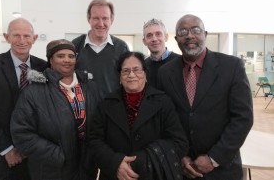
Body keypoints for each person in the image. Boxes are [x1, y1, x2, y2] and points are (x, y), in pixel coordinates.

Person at [158, 14, 253, 180]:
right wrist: (179, 155)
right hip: (181, 169)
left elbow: (243, 118)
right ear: (176, 39)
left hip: (222, 169)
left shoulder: (232, 67)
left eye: (196, 29)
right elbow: (163, 119)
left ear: (205, 34)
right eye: (183, 31)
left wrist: (214, 159)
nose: (189, 35)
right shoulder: (165, 73)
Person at [10, 39, 103, 180]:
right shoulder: (34, 91)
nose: (67, 60)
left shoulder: (90, 87)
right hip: (51, 169)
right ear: (50, 60)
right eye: (60, 56)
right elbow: (21, 132)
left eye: (71, 56)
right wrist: (57, 155)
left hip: (86, 167)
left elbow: (100, 123)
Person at [89, 51, 188, 180]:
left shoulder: (163, 102)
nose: (131, 75)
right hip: (114, 174)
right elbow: (94, 140)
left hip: (152, 174)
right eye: (125, 71)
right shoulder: (106, 104)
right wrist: (116, 163)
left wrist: (140, 161)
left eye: (136, 70)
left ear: (145, 74)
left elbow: (179, 143)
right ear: (119, 77)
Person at [0, 18, 47, 180]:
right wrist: (7, 149)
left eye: (27, 36)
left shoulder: (44, 68)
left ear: (34, 39)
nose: (22, 41)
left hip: (32, 156)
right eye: (16, 35)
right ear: (6, 37)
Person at [72, 0, 129, 96]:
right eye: (96, 18)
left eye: (105, 18)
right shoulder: (75, 45)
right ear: (88, 19)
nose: (101, 24)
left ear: (112, 20)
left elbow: (128, 79)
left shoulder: (121, 47)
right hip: (82, 109)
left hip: (112, 108)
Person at [142, 18, 180, 87]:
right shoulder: (142, 67)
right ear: (144, 41)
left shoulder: (181, 62)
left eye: (158, 34)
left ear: (166, 37)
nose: (154, 39)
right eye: (149, 35)